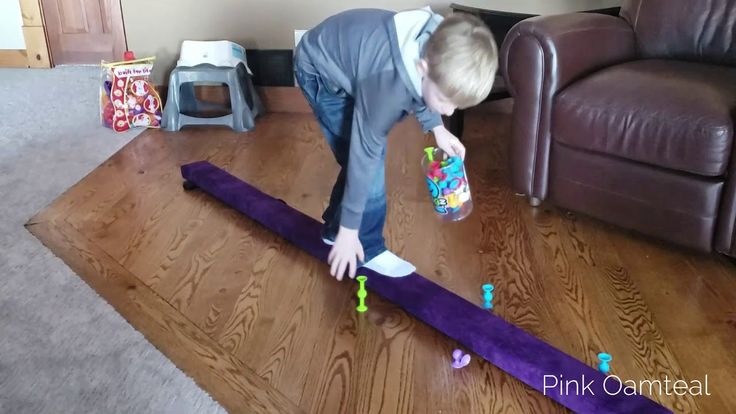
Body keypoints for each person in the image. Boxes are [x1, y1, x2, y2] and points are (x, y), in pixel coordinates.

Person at [294, 7, 497, 280]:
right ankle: (367, 246)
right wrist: (350, 231)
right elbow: (363, 156)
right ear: (422, 67)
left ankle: (334, 228)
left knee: (365, 165)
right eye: (446, 101)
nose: (450, 112)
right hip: (320, 71)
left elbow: (422, 87)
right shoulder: (387, 86)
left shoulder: (436, 42)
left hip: (358, 66)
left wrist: (437, 128)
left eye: (457, 104)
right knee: (367, 164)